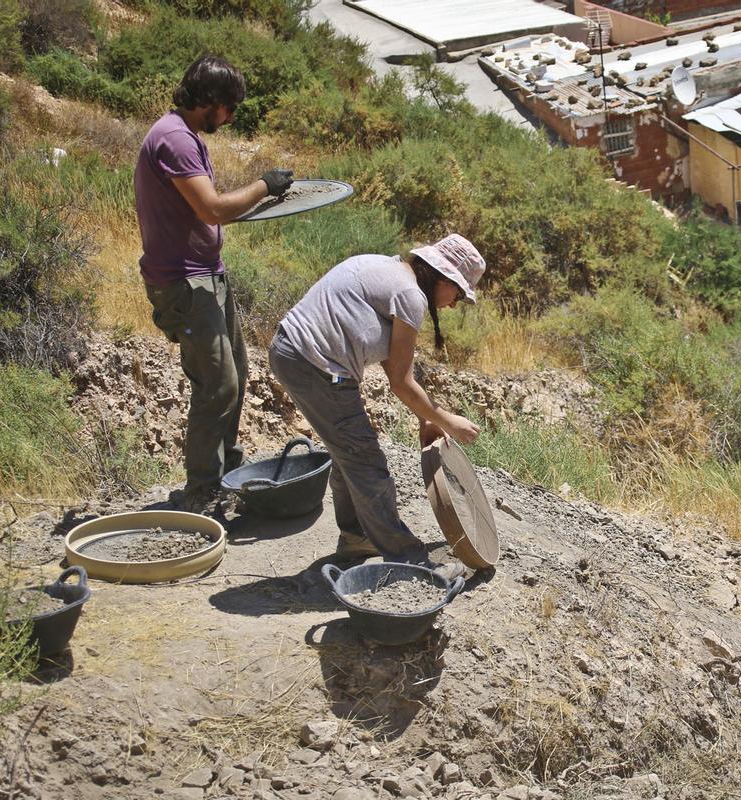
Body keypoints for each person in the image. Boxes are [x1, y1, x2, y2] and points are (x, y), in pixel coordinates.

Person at [268, 234, 485, 572]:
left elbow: (395, 363)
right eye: (457, 294)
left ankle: (357, 538)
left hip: (295, 354)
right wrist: (446, 420)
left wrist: (426, 417)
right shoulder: (410, 294)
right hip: (314, 365)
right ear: (442, 278)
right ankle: (408, 560)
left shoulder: (388, 271)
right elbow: (400, 382)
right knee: (366, 463)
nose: (453, 304)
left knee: (348, 455)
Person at [134, 55, 294, 514]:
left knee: (235, 377)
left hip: (206, 274)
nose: (231, 117)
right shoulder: (175, 140)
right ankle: (202, 492)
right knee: (218, 385)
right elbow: (214, 209)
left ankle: (224, 475)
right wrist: (264, 185)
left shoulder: (185, 135)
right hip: (183, 282)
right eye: (229, 108)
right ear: (209, 102)